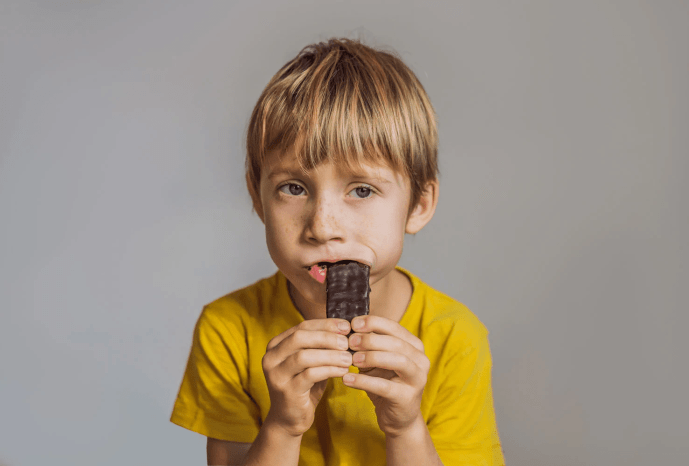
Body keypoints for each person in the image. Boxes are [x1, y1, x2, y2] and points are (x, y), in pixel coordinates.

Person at [170, 37, 505, 466]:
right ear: (258, 198)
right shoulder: (228, 329)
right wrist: (283, 425)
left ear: (418, 205)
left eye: (361, 190)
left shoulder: (455, 338)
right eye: (293, 188)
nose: (323, 226)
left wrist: (405, 427)